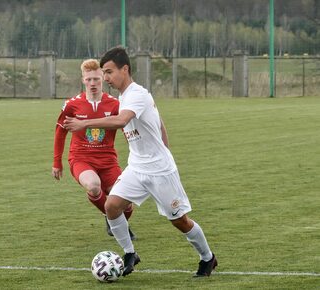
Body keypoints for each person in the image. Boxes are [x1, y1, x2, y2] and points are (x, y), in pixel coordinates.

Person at [64, 47, 217, 277]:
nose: (106, 78)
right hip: (136, 167)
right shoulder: (125, 97)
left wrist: (84, 124)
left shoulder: (136, 94)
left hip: (160, 172)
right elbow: (159, 121)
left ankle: (208, 258)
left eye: (109, 72)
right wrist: (163, 145)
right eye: (103, 73)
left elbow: (121, 120)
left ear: (124, 69)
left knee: (180, 221)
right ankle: (129, 254)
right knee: (112, 206)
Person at [52, 58, 136, 239]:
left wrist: (137, 153)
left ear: (103, 78)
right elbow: (60, 132)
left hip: (108, 161)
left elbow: (127, 130)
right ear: (83, 80)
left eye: (96, 79)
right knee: (93, 186)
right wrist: (57, 162)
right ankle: (112, 218)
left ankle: (115, 219)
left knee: (127, 204)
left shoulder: (115, 104)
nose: (92, 83)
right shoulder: (72, 104)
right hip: (81, 158)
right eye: (88, 79)